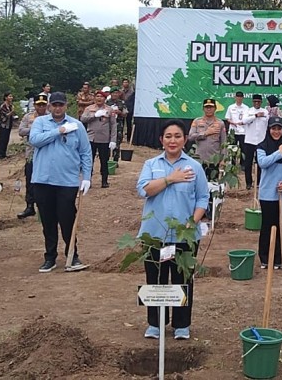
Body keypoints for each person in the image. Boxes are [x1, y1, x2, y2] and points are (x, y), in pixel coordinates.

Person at [136, 120, 210, 341]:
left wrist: (192, 222)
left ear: (185, 139)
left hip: (184, 234)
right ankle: (155, 324)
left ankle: (181, 324)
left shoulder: (194, 167)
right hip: (154, 234)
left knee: (182, 278)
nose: (172, 140)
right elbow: (145, 190)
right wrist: (170, 179)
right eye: (168, 136)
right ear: (161, 140)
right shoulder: (151, 164)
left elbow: (203, 198)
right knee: (155, 277)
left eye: (177, 136)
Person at [28, 92, 93, 272]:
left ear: (66, 106)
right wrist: (59, 131)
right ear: (49, 106)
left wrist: (86, 176)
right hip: (43, 180)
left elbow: (86, 152)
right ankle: (50, 257)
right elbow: (35, 141)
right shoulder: (40, 123)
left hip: (67, 181)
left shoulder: (77, 126)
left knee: (67, 219)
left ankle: (73, 254)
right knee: (48, 221)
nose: (58, 108)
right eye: (54, 105)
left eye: (61, 105)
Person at [256, 116, 282, 269]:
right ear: (269, 129)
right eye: (273, 128)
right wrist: (279, 152)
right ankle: (265, 258)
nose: (276, 131)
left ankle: (279, 258)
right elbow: (263, 163)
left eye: (279, 128)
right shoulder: (261, 147)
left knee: (280, 225)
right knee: (267, 225)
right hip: (267, 194)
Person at [16, 93, 49, 219]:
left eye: (43, 105)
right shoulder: (28, 117)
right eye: (38, 105)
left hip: (46, 154)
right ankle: (30, 206)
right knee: (30, 180)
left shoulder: (50, 117)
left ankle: (45, 206)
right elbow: (21, 131)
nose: (41, 107)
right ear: (34, 105)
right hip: (31, 154)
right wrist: (35, 129)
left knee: (46, 181)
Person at [81, 90, 118, 188]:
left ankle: (104, 181)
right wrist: (94, 115)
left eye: (101, 97)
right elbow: (83, 119)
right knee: (89, 160)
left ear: (105, 99)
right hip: (91, 138)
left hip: (104, 139)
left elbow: (113, 125)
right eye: (97, 96)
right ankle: (88, 180)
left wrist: (113, 140)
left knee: (104, 161)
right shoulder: (89, 108)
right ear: (94, 98)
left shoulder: (109, 110)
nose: (99, 98)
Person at [188, 98, 226, 182]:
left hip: (214, 160)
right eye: (206, 107)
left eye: (211, 107)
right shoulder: (197, 121)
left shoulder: (220, 123)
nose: (209, 109)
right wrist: (206, 133)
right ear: (203, 108)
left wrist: (223, 159)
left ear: (215, 108)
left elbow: (223, 143)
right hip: (199, 159)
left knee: (212, 184)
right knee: (198, 183)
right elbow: (190, 137)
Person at [241, 95, 269, 190]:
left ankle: (259, 182)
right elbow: (244, 121)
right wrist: (255, 116)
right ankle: (248, 183)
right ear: (252, 102)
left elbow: (268, 123)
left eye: (258, 101)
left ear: (261, 102)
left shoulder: (265, 112)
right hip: (249, 141)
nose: (256, 103)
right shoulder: (248, 111)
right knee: (248, 163)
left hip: (261, 141)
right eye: (255, 101)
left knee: (261, 163)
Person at [0, 92, 16, 160]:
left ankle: (3, 154)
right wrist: (11, 112)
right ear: (6, 97)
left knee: (6, 139)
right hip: (2, 125)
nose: (11, 98)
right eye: (9, 96)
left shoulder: (10, 106)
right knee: (2, 139)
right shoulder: (3, 106)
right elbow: (4, 116)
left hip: (8, 124)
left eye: (11, 96)